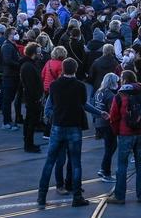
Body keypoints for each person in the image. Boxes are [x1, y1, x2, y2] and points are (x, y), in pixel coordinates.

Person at [41, 57, 89, 205]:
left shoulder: (55, 85)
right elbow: (83, 104)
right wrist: (101, 113)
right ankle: (77, 196)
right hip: (74, 126)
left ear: (62, 69)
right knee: (75, 162)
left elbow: (49, 105)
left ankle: (41, 196)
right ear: (75, 69)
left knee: (50, 161)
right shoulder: (80, 86)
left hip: (58, 126)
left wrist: (51, 116)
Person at [106, 70, 141, 204]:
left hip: (125, 134)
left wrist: (117, 131)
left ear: (124, 80)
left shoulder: (120, 96)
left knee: (122, 165)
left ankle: (120, 195)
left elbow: (113, 117)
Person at [85, 72, 120, 182]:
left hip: (99, 122)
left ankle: (104, 169)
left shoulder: (99, 91)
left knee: (108, 147)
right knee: (111, 147)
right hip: (107, 122)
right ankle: (106, 172)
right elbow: (113, 111)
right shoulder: (111, 95)